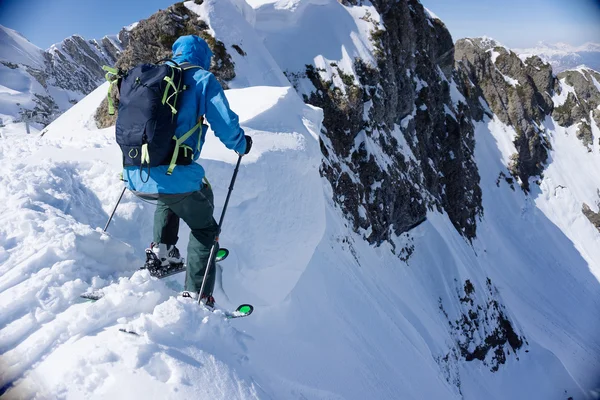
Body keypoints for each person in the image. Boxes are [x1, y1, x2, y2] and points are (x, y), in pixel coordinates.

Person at [123, 35, 252, 306]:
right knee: (205, 227)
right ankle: (198, 293)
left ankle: (162, 252)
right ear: (203, 57)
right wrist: (241, 144)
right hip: (174, 173)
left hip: (135, 173)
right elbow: (225, 123)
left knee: (174, 195)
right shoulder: (202, 79)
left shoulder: (152, 76)